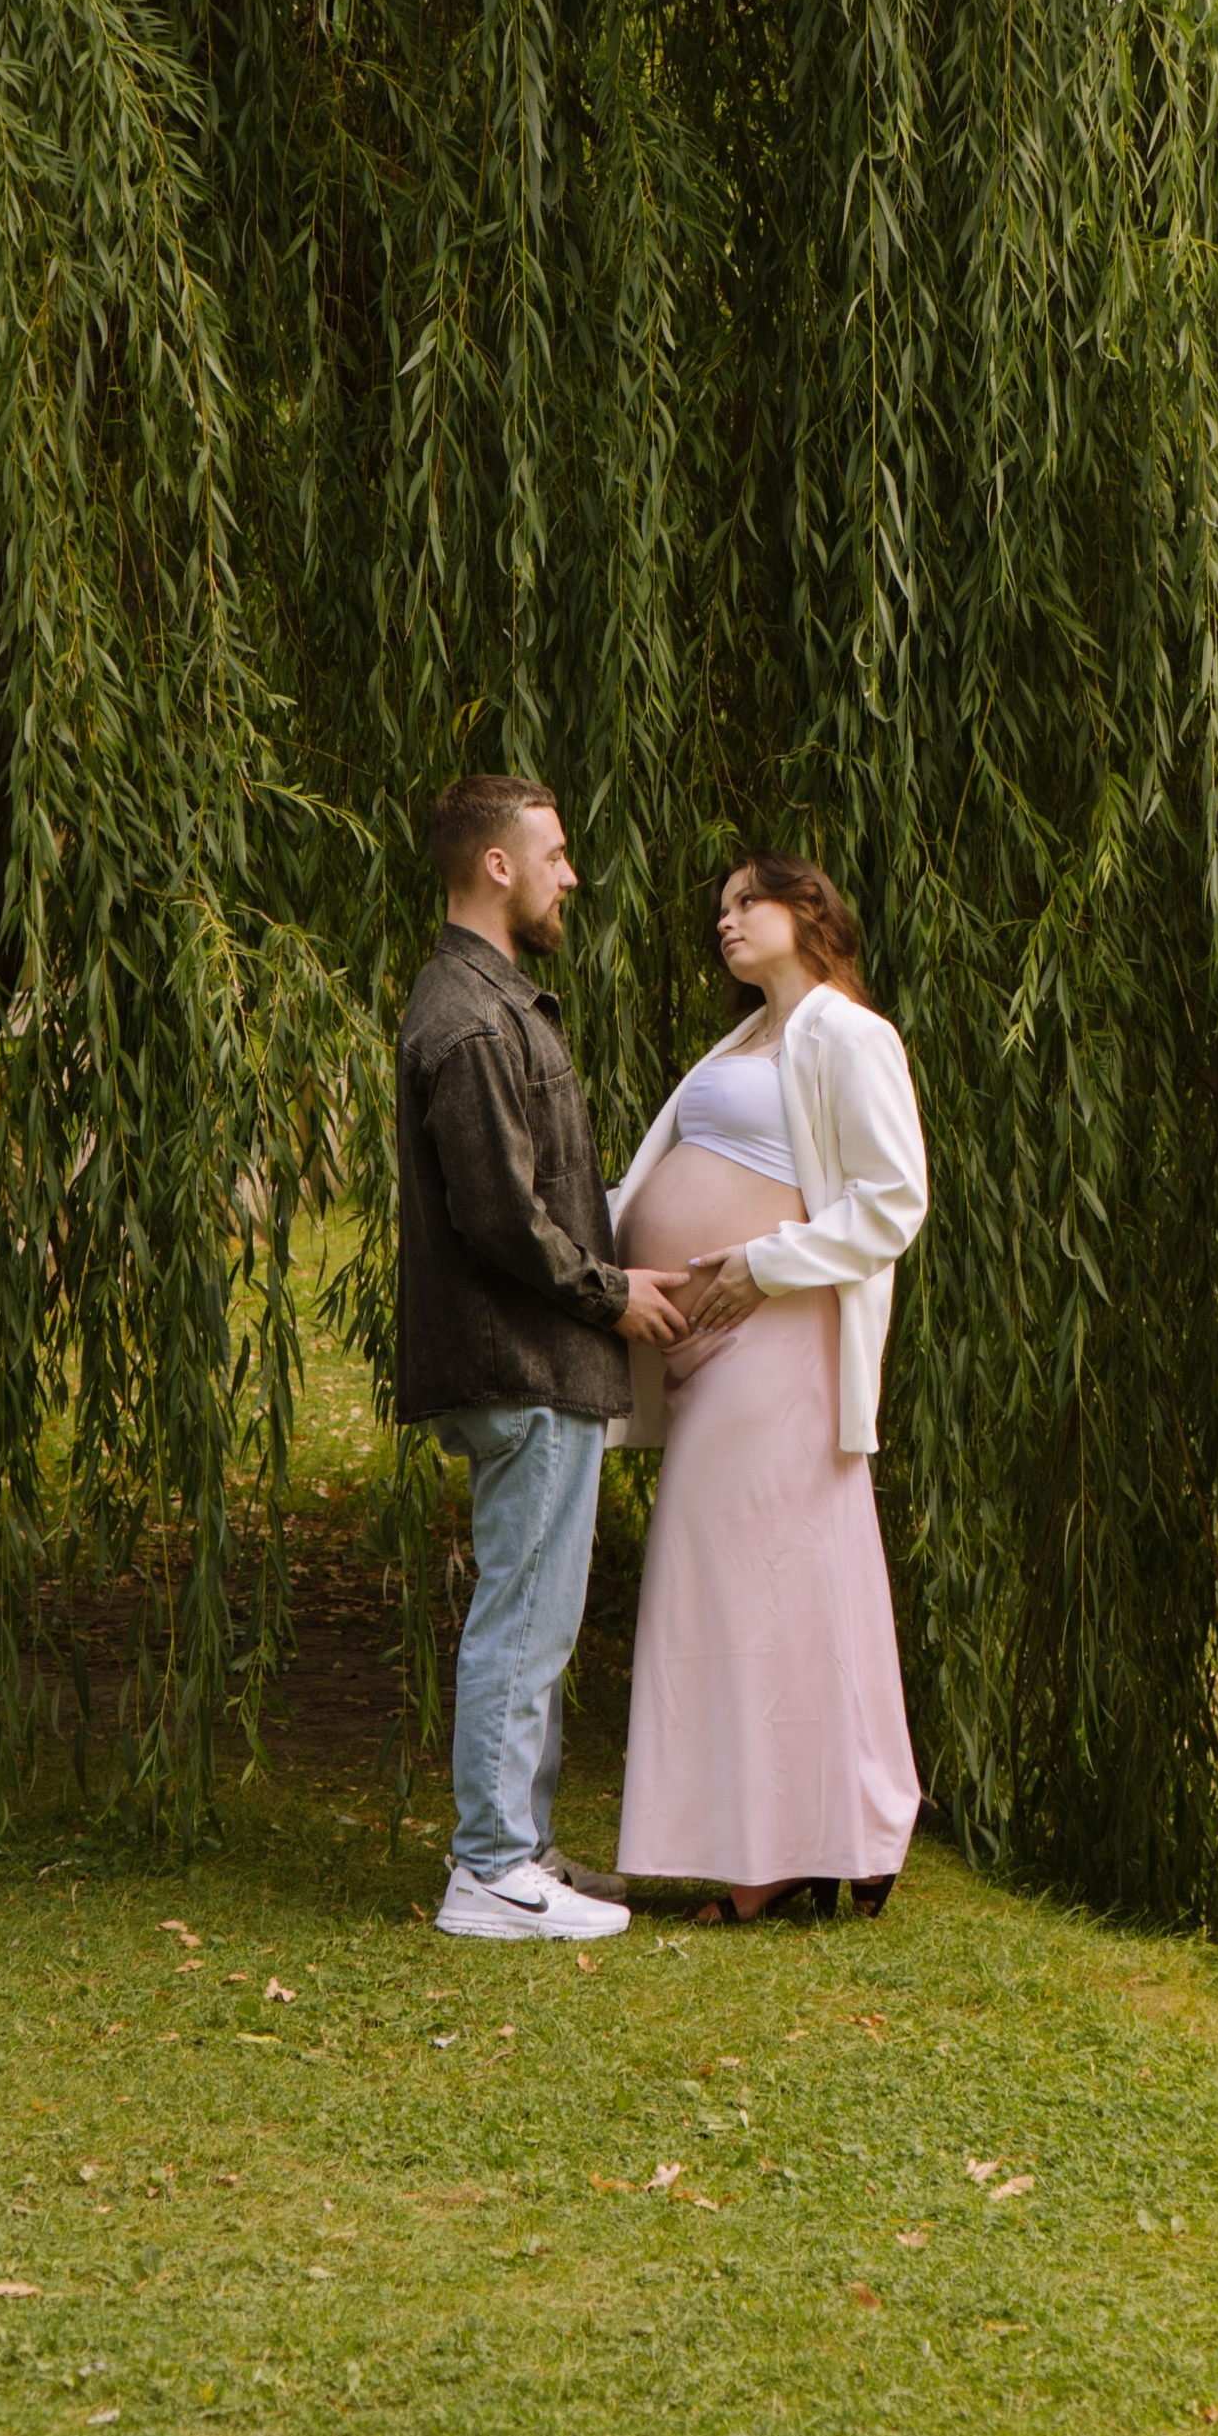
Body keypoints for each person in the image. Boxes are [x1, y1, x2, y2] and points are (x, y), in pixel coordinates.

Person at [394, 773, 687, 1944]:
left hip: (535, 1363)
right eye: (555, 854)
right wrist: (612, 1297)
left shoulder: (492, 1001)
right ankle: (489, 1872)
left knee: (540, 1613)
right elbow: (501, 1216)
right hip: (521, 1361)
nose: (572, 874)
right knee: (521, 1615)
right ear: (498, 866)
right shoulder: (468, 1018)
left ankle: (527, 1855)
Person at [611, 853, 927, 1923]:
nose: (727, 922)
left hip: (780, 1337)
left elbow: (893, 1201)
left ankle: (784, 1851)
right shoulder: (746, 1036)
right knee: (753, 1580)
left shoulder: (847, 1033)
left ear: (808, 911)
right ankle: (807, 1838)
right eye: (719, 909)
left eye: (749, 902)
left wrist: (762, 1260)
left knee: (756, 1579)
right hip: (709, 1345)